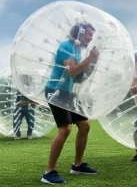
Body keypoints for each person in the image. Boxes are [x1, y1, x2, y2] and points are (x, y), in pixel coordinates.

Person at [41, 22, 100, 184]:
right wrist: (90, 58)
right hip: (55, 91)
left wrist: (92, 63)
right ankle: (49, 172)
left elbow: (79, 77)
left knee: (85, 125)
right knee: (65, 129)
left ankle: (78, 165)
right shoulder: (66, 46)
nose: (91, 38)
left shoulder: (78, 49)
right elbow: (72, 70)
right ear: (80, 32)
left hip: (68, 93)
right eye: (89, 34)